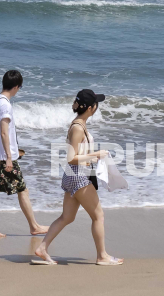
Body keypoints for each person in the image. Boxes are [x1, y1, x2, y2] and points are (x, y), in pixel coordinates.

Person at [32, 89, 123, 266]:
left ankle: (42, 249)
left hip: (74, 175)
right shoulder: (77, 128)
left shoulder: (80, 124)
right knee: (98, 216)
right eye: (96, 103)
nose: (97, 106)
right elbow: (70, 158)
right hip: (79, 176)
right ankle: (102, 256)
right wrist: (95, 154)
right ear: (90, 108)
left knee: (67, 217)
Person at [0, 70, 48, 237]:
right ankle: (34, 226)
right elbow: (4, 132)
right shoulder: (5, 105)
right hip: (4, 157)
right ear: (16, 87)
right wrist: (10, 157)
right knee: (22, 190)